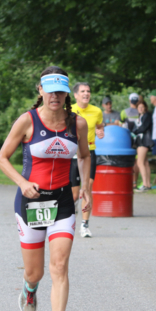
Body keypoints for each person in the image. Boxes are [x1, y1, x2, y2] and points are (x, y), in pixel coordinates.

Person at [0, 66, 91, 311]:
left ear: (66, 93)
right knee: (35, 272)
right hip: (31, 202)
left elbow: (85, 156)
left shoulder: (78, 124)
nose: (55, 96)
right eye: (49, 91)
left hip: (63, 201)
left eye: (60, 91)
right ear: (40, 91)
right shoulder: (27, 121)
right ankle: (30, 287)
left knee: (60, 266)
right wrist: (22, 183)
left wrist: (85, 187)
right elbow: (2, 158)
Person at [71, 82, 104, 238]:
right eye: (83, 91)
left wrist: (100, 131)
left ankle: (84, 225)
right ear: (76, 95)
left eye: (88, 91)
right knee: (74, 193)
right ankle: (71, 216)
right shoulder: (67, 110)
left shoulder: (97, 111)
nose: (86, 93)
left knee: (88, 188)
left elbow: (99, 125)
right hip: (71, 154)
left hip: (89, 152)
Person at [120, 92, 142, 188]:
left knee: (126, 160)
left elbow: (121, 125)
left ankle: (125, 181)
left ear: (129, 100)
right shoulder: (141, 112)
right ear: (138, 101)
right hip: (138, 139)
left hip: (127, 139)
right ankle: (134, 182)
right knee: (137, 160)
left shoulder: (124, 112)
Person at [131, 100, 153, 192]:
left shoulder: (147, 116)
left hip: (144, 142)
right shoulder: (140, 117)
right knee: (145, 163)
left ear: (145, 108)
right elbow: (135, 128)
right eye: (139, 107)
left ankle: (144, 184)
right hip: (141, 141)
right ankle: (148, 184)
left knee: (140, 162)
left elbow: (143, 128)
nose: (141, 109)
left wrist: (135, 131)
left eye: (142, 107)